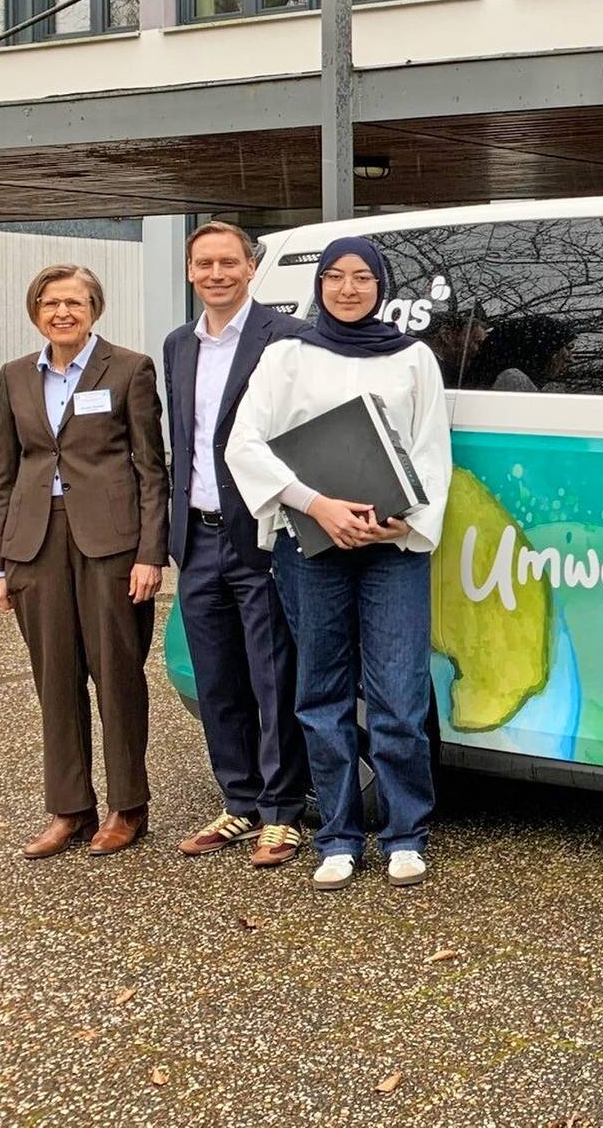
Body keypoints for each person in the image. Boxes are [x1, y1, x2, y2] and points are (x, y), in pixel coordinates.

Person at [226, 236, 453, 893]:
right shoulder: (287, 356)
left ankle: (406, 830)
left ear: (382, 286)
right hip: (311, 545)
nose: (348, 288)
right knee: (321, 693)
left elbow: (432, 451)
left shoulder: (414, 358)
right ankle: (339, 834)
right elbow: (246, 444)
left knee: (398, 694)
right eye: (335, 277)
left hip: (393, 548)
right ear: (319, 285)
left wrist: (403, 516)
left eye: (362, 277)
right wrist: (317, 504)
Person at [0, 265, 168, 859]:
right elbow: (5, 475)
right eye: (51, 302)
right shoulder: (16, 376)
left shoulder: (130, 369)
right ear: (35, 309)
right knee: (55, 680)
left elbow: (150, 469)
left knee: (116, 674)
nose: (63, 311)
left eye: (75, 302)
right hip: (34, 544)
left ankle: (127, 807)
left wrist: (150, 553)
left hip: (111, 543)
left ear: (96, 307)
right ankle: (69, 809)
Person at [163, 221, 310, 868]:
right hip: (196, 536)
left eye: (229, 261)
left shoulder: (287, 336)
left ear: (252, 268)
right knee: (218, 676)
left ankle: (283, 812)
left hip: (260, 532)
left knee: (272, 673)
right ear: (191, 271)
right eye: (205, 263)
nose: (217, 273)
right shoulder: (176, 345)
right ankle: (239, 801)